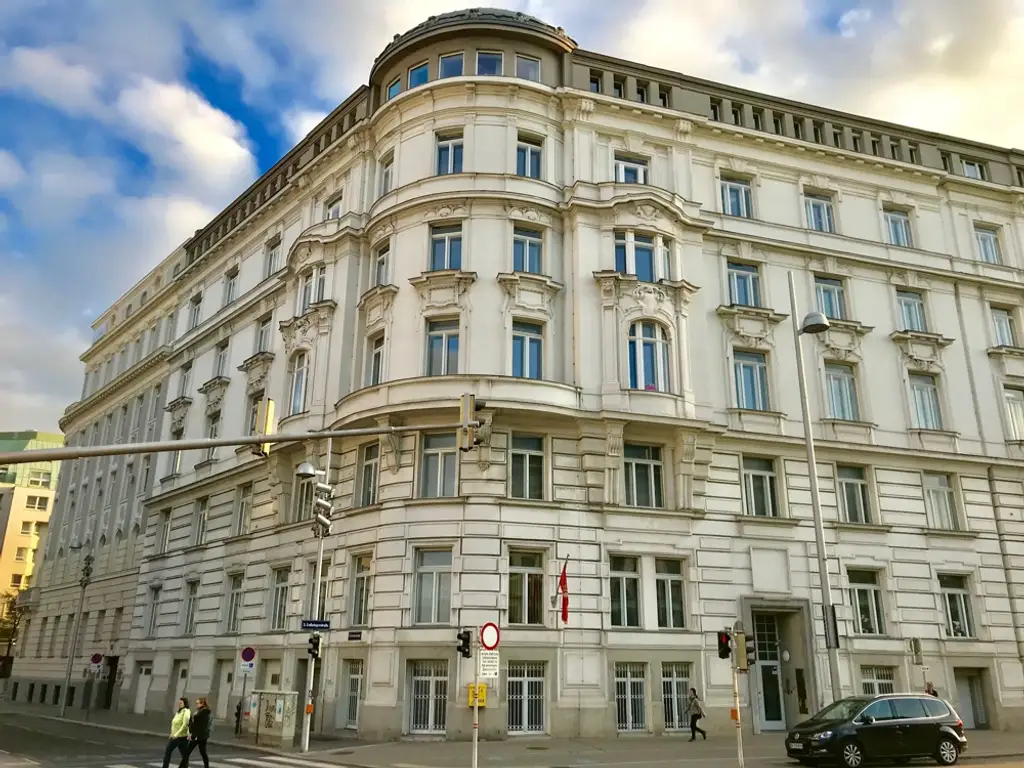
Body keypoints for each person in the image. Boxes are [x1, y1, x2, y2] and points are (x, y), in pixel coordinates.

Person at [179, 696, 211, 768]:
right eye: (196, 703)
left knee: (187, 753)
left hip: (198, 736)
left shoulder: (204, 712)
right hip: (200, 736)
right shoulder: (200, 711)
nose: (196, 705)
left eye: (197, 703)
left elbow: (200, 726)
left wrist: (193, 735)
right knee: (202, 753)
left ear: (202, 703)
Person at [161, 697, 191, 768]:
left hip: (181, 737)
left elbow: (185, 724)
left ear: (185, 703)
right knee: (182, 754)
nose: (179, 704)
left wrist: (176, 734)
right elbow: (174, 724)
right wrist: (171, 733)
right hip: (176, 736)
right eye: (179, 703)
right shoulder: (179, 712)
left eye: (181, 703)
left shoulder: (186, 711)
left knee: (169, 751)